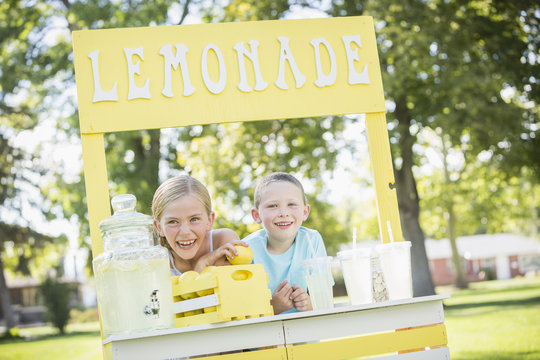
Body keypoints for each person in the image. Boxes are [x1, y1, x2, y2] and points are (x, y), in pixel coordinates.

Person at [243, 172, 329, 314]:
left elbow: (325, 300)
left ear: (305, 211)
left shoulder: (311, 241)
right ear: (256, 215)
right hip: (265, 335)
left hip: (306, 334)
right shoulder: (247, 249)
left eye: (291, 204)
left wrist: (310, 304)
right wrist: (272, 307)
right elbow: (241, 312)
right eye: (272, 206)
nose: (283, 212)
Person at [152, 174, 246, 275]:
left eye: (194, 219)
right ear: (159, 227)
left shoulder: (223, 241)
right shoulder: (157, 264)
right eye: (173, 222)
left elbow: (237, 287)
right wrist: (201, 267)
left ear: (209, 220)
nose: (185, 232)